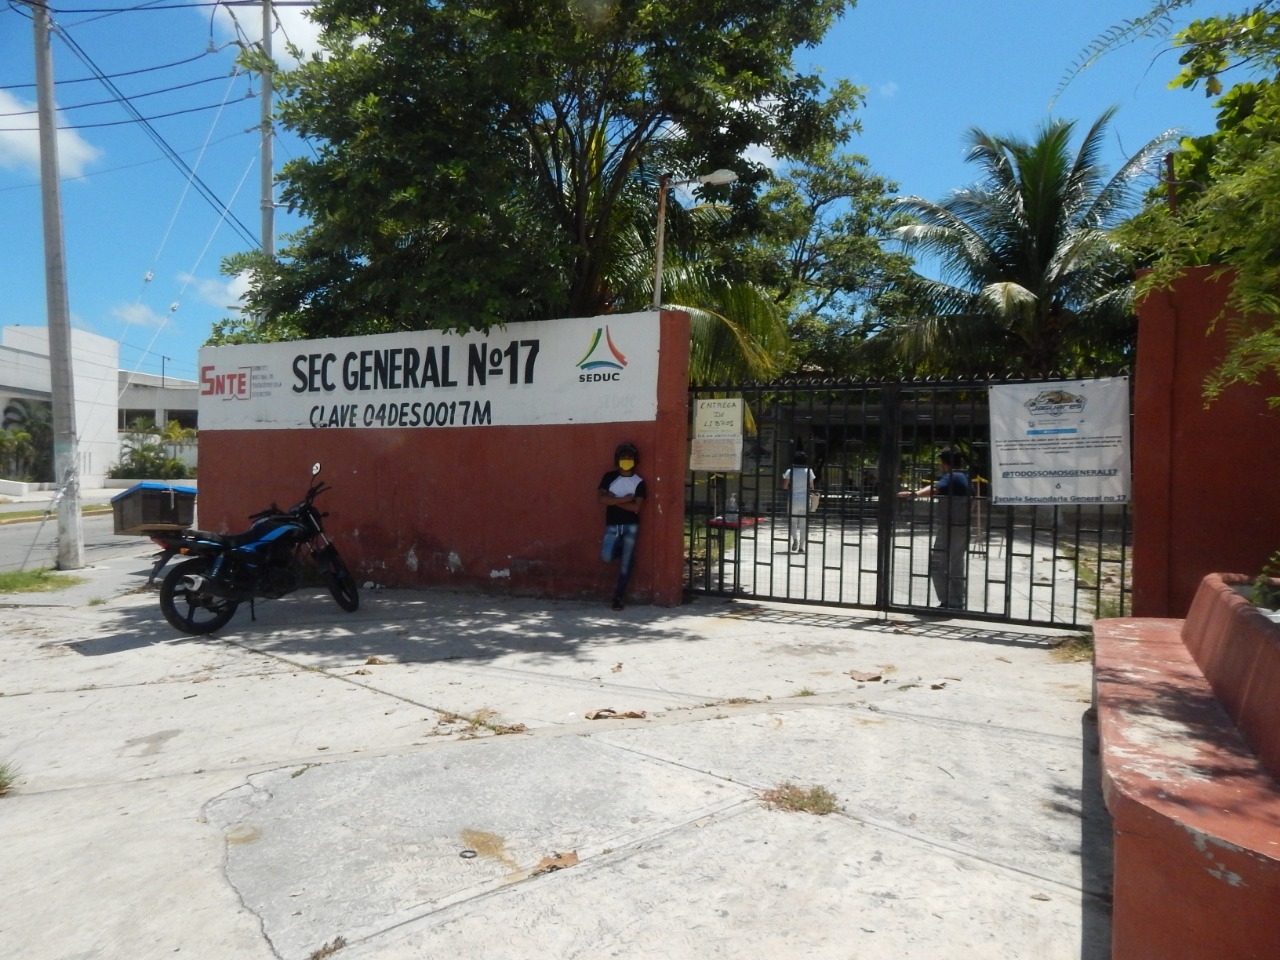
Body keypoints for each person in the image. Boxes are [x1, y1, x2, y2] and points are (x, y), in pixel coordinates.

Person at [898, 447, 971, 609]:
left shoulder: (952, 476)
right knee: (955, 564)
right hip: (961, 525)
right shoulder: (966, 476)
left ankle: (950, 602)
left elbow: (935, 489)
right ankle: (956, 601)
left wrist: (914, 494)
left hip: (951, 527)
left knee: (938, 564)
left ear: (945, 464)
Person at [598, 442, 646, 610]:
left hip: (631, 526)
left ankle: (618, 597)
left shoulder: (639, 482)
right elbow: (601, 499)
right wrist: (625, 499)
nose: (626, 460)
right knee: (606, 556)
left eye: (630, 457)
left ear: (635, 460)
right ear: (617, 460)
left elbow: (636, 508)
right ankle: (627, 555)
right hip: (613, 525)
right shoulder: (609, 477)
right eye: (623, 457)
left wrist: (614, 500)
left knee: (625, 566)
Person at [781, 450, 817, 554]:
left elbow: (784, 486)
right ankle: (801, 547)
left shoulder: (790, 471)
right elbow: (811, 486)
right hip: (805, 500)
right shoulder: (809, 471)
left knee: (792, 522)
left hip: (793, 500)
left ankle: (795, 540)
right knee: (803, 524)